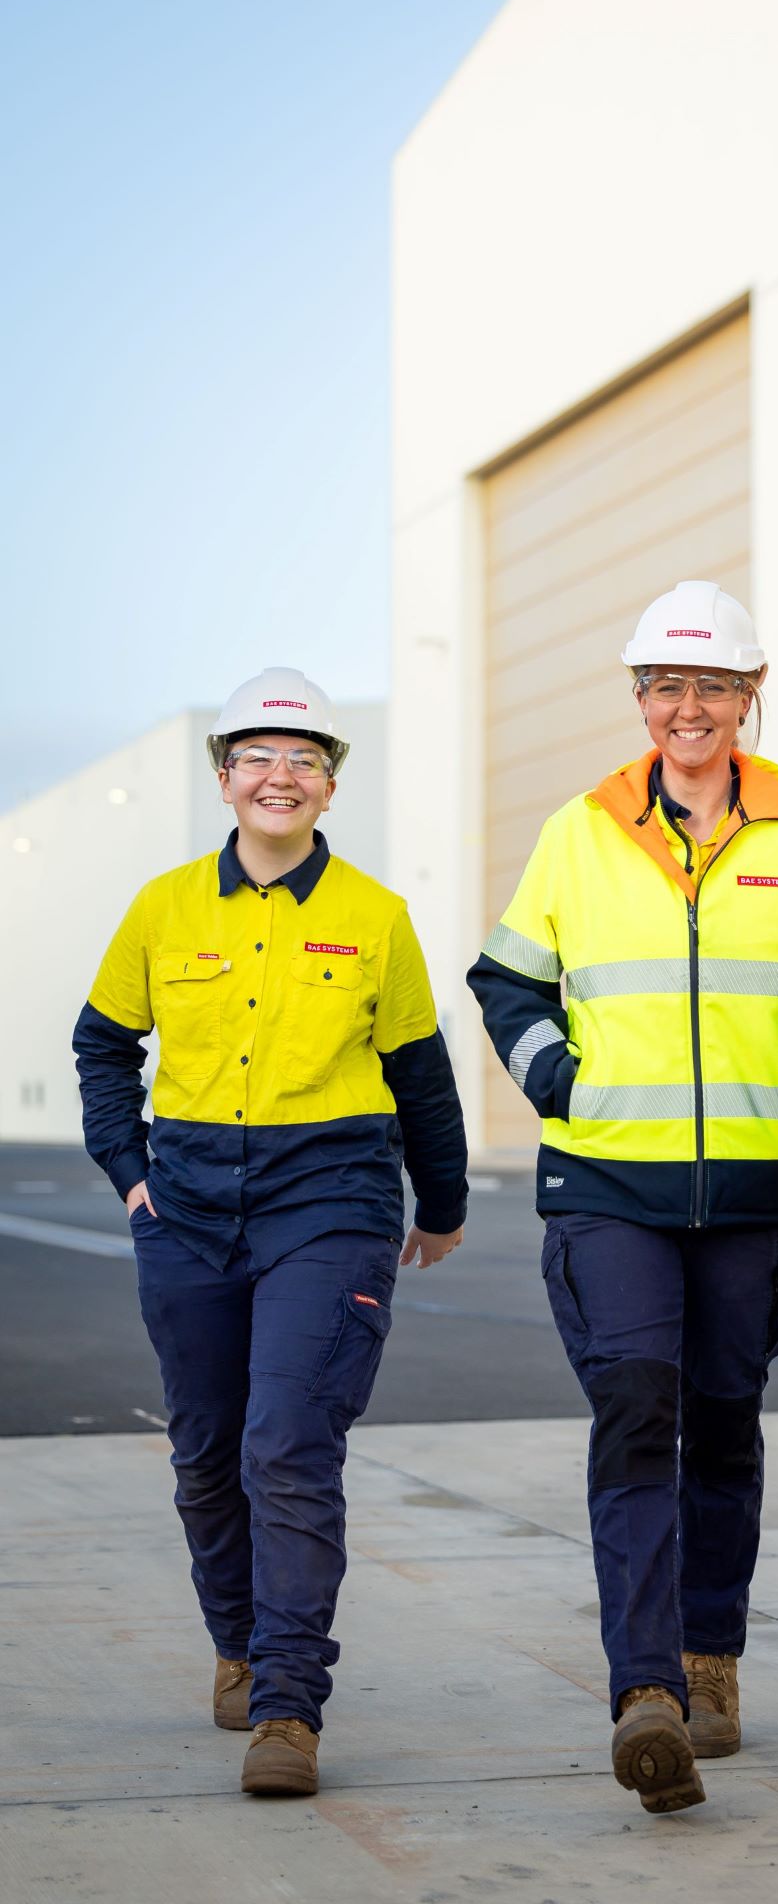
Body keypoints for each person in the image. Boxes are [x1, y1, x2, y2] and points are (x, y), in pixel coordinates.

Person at [468, 581, 778, 1814]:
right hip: (606, 1181)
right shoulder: (581, 829)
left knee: (724, 1416)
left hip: (754, 1191)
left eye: (710, 685)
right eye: (664, 685)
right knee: (636, 1406)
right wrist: (560, 1078)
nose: (685, 707)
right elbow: (505, 980)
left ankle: (712, 1655)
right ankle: (644, 1688)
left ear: (749, 698)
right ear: (639, 697)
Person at [73, 667, 468, 1797]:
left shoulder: (375, 917)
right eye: (257, 757)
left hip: (329, 1198)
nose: (279, 776)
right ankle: (241, 1645)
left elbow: (420, 1079)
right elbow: (103, 1046)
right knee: (206, 1453)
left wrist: (437, 1208)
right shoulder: (162, 908)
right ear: (224, 779)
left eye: (303, 760)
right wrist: (130, 1173)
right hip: (187, 1205)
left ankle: (289, 1705)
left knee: (286, 1446)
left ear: (331, 786)